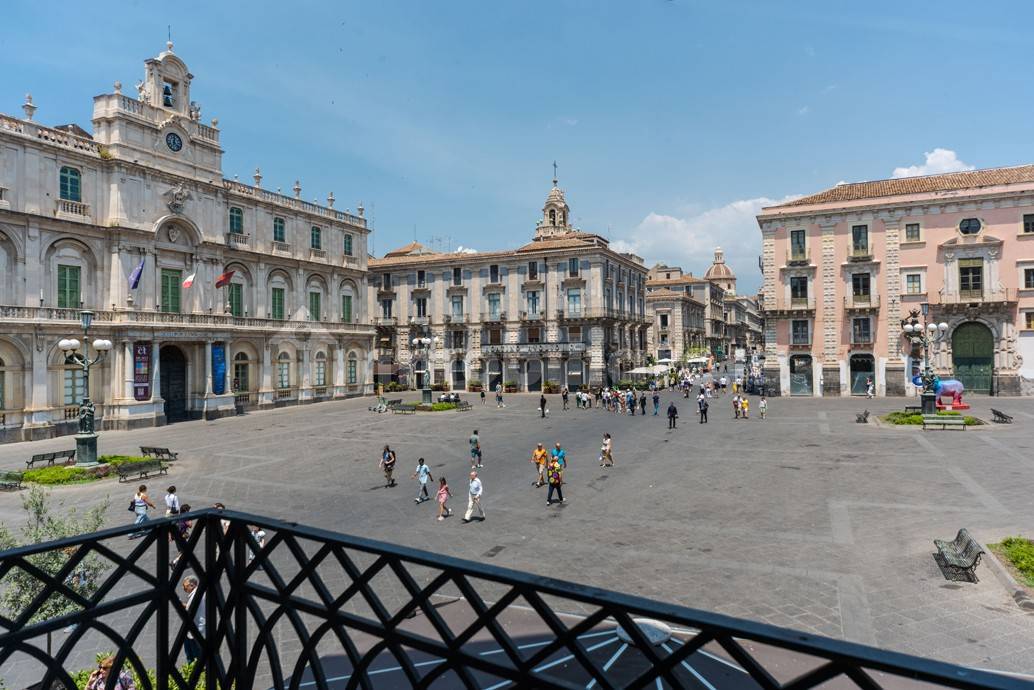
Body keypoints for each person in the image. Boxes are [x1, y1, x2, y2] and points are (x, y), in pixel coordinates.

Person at [182, 575, 205, 665]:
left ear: (192, 585)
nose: (184, 588)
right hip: (195, 631)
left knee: (193, 658)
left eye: (185, 586)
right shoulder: (199, 593)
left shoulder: (195, 596)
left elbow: (189, 611)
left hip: (194, 632)